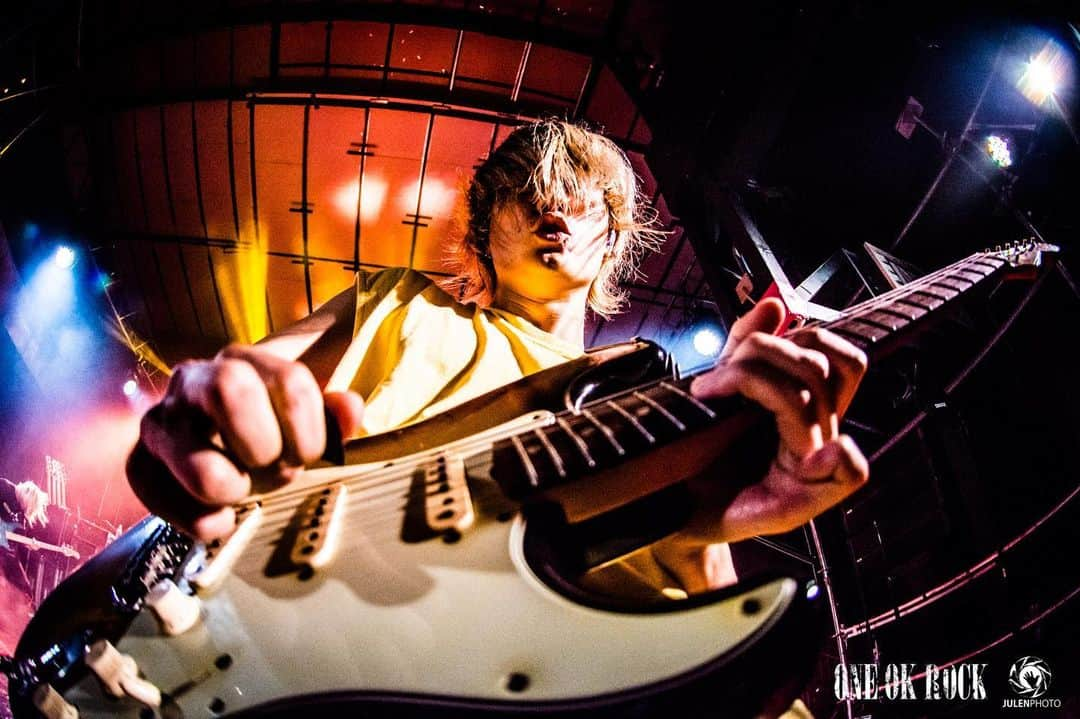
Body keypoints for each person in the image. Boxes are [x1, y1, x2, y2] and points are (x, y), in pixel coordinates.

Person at [127, 118, 869, 597]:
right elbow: (244, 381)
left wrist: (735, 505)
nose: (552, 208)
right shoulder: (399, 301)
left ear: (612, 239)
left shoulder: (644, 399)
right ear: (485, 233)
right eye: (523, 193)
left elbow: (699, 595)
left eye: (580, 197)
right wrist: (203, 409)